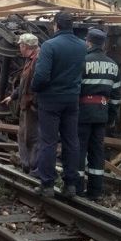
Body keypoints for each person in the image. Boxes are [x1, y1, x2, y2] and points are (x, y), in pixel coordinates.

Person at [31, 12, 86, 198]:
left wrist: (35, 89)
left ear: (56, 25)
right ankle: (71, 184)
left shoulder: (49, 46)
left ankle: (47, 184)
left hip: (51, 100)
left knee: (49, 141)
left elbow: (41, 76)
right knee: (71, 141)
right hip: (72, 100)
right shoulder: (81, 46)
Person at [77, 28, 121, 201]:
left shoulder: (83, 61)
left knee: (80, 149)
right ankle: (95, 191)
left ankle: (78, 189)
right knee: (97, 151)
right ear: (103, 44)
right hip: (102, 114)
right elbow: (116, 96)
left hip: (83, 112)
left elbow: (76, 89)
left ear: (88, 42)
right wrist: (111, 117)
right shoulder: (113, 65)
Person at [2, 33, 40, 174]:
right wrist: (12, 96)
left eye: (20, 45)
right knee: (23, 135)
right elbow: (24, 83)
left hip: (32, 107)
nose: (19, 48)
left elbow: (39, 84)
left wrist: (34, 103)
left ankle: (32, 167)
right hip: (27, 105)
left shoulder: (38, 60)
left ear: (26, 46)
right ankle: (26, 166)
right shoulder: (30, 60)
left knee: (31, 137)